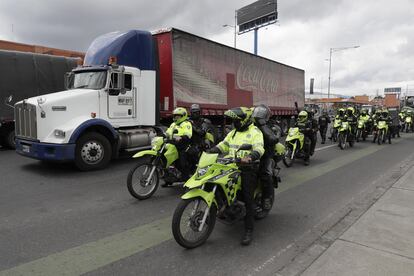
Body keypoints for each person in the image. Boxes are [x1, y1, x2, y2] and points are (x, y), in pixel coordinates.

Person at [208, 107, 264, 245]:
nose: (234, 123)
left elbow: (259, 148)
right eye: (233, 120)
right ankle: (224, 206)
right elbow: (223, 145)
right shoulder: (233, 133)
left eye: (236, 120)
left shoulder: (254, 132)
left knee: (247, 198)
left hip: (247, 168)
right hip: (231, 165)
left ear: (244, 120)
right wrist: (211, 150)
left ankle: (248, 230)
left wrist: (250, 156)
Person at [251, 104, 278, 218]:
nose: (259, 116)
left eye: (261, 114)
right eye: (257, 113)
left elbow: (273, 138)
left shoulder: (270, 126)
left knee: (265, 175)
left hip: (266, 156)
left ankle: (266, 201)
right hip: (251, 154)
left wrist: (262, 125)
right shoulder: (250, 125)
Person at [165, 107, 193, 183]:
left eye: (178, 116)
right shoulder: (173, 124)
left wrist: (181, 137)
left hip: (182, 145)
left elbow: (188, 135)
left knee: (182, 163)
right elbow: (167, 133)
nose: (175, 117)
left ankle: (186, 180)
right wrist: (163, 135)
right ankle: (168, 179)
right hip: (172, 145)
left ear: (183, 116)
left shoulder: (186, 124)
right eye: (175, 116)